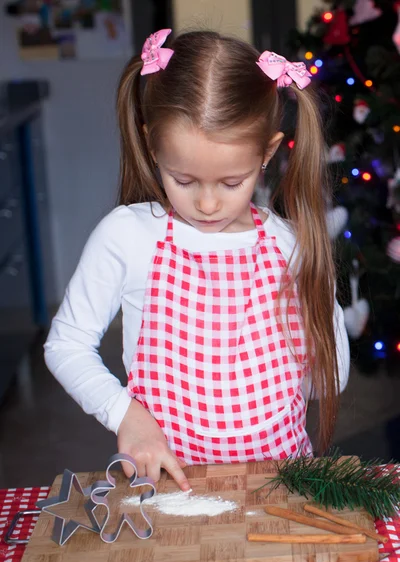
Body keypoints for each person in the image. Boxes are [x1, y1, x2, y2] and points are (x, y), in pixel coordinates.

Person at [44, 29, 350, 492]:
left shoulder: (288, 245)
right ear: (152, 146)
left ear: (267, 152)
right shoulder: (129, 236)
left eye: (231, 183)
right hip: (170, 490)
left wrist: (319, 297)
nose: (207, 204)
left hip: (281, 490)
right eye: (183, 179)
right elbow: (65, 345)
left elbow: (325, 383)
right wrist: (127, 416)